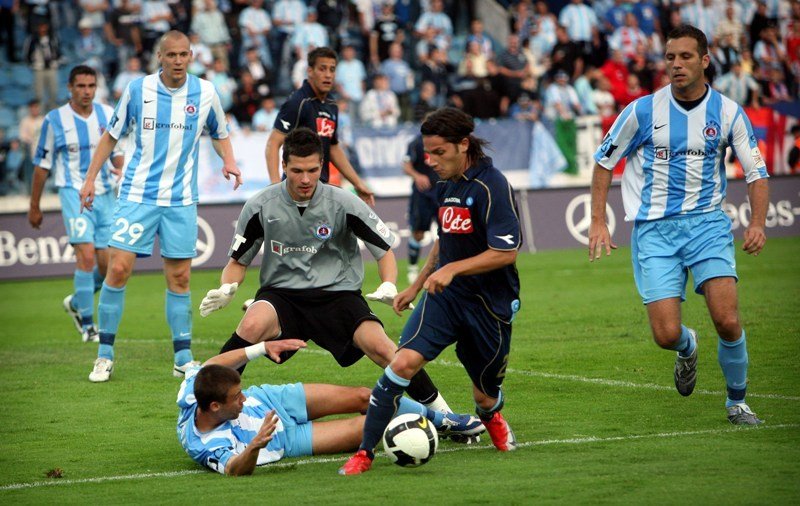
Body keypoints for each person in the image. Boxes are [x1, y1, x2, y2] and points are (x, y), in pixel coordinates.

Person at [199, 128, 479, 437]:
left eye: (312, 170)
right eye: (296, 171)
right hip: (282, 297)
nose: (305, 179)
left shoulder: (343, 202)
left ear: (322, 165)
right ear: (284, 167)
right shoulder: (261, 205)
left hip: (338, 296)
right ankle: (205, 407)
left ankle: (445, 416)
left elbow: (384, 250)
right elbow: (238, 262)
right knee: (251, 325)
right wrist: (228, 287)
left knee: (384, 348)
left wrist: (388, 283)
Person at [589, 25, 769, 426]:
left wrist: (757, 223)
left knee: (727, 318)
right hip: (655, 230)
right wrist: (598, 221)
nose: (676, 64)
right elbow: (604, 162)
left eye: (685, 56)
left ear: (704, 61)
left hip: (707, 225)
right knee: (666, 334)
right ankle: (688, 348)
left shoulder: (727, 112)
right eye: (670, 57)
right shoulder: (641, 111)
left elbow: (757, 174)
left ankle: (737, 402)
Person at [339, 108, 523, 475]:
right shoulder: (445, 185)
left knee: (484, 395)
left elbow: (507, 250)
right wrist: (418, 283)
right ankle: (364, 454)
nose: (431, 160)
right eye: (428, 152)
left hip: (489, 304)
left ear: (463, 145)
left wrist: (453, 270)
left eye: (439, 152)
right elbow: (445, 240)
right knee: (402, 363)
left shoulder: (492, 185)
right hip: (445, 299)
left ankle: (491, 415)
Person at [79, 30, 243, 383]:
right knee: (118, 270)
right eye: (172, 55)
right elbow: (111, 136)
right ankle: (104, 355)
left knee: (180, 277)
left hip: (180, 200)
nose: (179, 61)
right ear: (160, 57)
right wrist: (90, 178)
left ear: (191, 56)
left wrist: (228, 160)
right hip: (137, 195)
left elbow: (220, 132)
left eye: (185, 54)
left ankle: (182, 357)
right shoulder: (138, 90)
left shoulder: (205, 92)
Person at [177, 337, 481, 476]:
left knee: (365, 397)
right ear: (215, 406)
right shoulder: (206, 445)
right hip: (284, 442)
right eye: (236, 398)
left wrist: (260, 348)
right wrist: (255, 446)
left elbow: (213, 364)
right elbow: (233, 470)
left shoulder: (193, 390)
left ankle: (443, 420)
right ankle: (430, 426)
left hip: (274, 401)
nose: (242, 399)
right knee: (369, 426)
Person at [28, 65, 124, 343]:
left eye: (91, 86)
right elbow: (41, 167)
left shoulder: (107, 114)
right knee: (85, 255)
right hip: (73, 193)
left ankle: (76, 303)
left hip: (106, 195)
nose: (86, 91)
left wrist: (120, 168)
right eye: (81, 86)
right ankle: (88, 324)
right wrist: (34, 206)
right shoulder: (55, 120)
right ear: (70, 87)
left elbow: (116, 153)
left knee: (107, 268)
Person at [266, 46, 374, 205]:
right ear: (310, 71)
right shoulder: (298, 102)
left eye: (332, 69)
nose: (328, 75)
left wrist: (357, 183)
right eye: (322, 69)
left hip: (320, 189)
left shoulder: (331, 104)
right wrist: (275, 188)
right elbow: (273, 144)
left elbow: (333, 147)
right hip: (295, 192)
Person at [402, 131, 440, 284]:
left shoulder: (443, 141)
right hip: (422, 194)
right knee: (418, 232)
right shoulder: (415, 143)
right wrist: (417, 176)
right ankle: (413, 268)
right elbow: (406, 166)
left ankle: (447, 265)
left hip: (441, 191)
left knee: (447, 231)